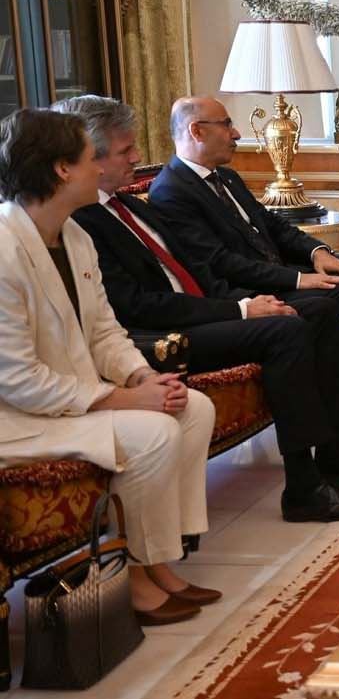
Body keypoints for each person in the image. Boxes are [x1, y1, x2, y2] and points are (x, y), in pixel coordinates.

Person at [58, 95, 339, 523]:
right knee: (287, 330)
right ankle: (304, 489)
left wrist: (243, 301)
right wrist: (239, 311)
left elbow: (198, 265)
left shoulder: (126, 205)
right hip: (163, 335)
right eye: (126, 151)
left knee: (320, 311)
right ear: (90, 159)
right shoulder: (83, 222)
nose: (138, 158)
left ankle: (335, 452)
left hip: (204, 308)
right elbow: (139, 306)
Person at [0, 109, 216, 626]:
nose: (100, 168)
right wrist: (126, 400)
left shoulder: (74, 237)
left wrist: (142, 377)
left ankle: (159, 561)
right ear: (61, 170)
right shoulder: (5, 250)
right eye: (88, 158)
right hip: (18, 418)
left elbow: (103, 332)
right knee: (154, 432)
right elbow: (18, 381)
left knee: (193, 408)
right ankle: (133, 576)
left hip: (65, 399)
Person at [147, 97, 339, 433]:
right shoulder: (171, 191)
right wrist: (297, 280)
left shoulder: (226, 178)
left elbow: (273, 225)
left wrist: (317, 252)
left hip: (280, 273)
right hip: (250, 291)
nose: (236, 133)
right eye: (227, 124)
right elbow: (220, 262)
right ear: (197, 131)